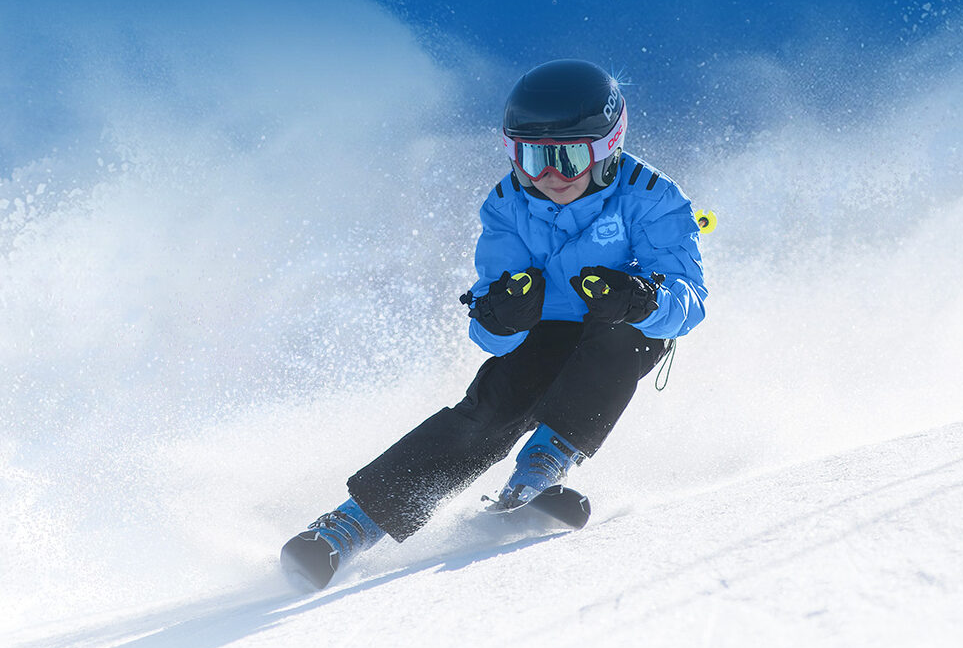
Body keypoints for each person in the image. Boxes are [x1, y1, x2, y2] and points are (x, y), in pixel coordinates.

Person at [280, 59, 707, 590]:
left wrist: (642, 300)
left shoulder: (653, 197)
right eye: (531, 157)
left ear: (607, 149)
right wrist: (501, 316)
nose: (548, 176)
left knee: (622, 338)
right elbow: (490, 335)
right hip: (545, 332)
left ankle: (540, 469)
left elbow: (690, 300)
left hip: (620, 328)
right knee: (493, 407)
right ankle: (349, 526)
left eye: (569, 157)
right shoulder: (507, 204)